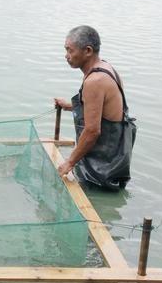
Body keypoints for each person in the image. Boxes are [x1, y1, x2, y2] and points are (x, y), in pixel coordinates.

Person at [54, 25, 137, 191]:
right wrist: (69, 106)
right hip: (116, 158)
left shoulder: (94, 81)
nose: (67, 56)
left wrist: (69, 163)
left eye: (70, 51)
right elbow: (104, 109)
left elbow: (92, 131)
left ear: (88, 51)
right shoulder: (106, 68)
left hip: (102, 166)